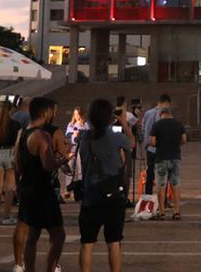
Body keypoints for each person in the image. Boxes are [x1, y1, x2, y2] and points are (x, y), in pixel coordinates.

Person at [77, 98, 130, 272]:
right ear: (109, 117)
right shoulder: (116, 137)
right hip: (112, 196)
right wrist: (122, 121)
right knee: (114, 242)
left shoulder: (84, 137)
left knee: (87, 243)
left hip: (90, 195)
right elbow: (133, 143)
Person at [17, 97, 68, 272]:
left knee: (32, 235)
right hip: (42, 190)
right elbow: (48, 165)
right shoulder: (42, 135)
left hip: (27, 187)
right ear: (46, 112)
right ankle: (50, 268)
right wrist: (63, 160)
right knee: (58, 236)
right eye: (53, 111)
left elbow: (18, 163)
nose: (54, 115)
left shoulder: (23, 133)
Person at [148, 102, 187, 219]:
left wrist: (158, 144)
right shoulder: (179, 124)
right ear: (170, 114)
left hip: (161, 158)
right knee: (175, 185)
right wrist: (176, 144)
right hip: (175, 157)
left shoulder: (157, 125)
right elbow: (184, 140)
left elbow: (153, 142)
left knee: (161, 185)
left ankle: (161, 211)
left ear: (161, 114)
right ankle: (177, 211)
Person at [0, 101, 20, 225]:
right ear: (11, 110)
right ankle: (7, 216)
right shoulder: (15, 124)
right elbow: (17, 142)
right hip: (10, 152)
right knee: (10, 187)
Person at [140, 94, 169, 196]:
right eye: (167, 105)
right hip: (159, 149)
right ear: (165, 103)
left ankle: (148, 196)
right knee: (162, 175)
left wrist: (146, 142)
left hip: (149, 149)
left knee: (150, 174)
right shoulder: (162, 114)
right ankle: (163, 200)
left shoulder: (148, 113)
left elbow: (143, 129)